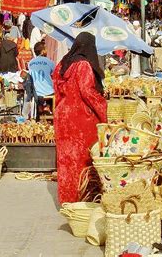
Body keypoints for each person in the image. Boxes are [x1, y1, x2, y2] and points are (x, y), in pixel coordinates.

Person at [52, 32, 107, 204]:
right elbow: (87, 91)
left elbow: (56, 87)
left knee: (65, 160)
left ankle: (67, 199)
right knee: (83, 160)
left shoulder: (62, 64)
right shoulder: (83, 65)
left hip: (63, 116)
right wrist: (104, 110)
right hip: (81, 118)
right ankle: (82, 198)